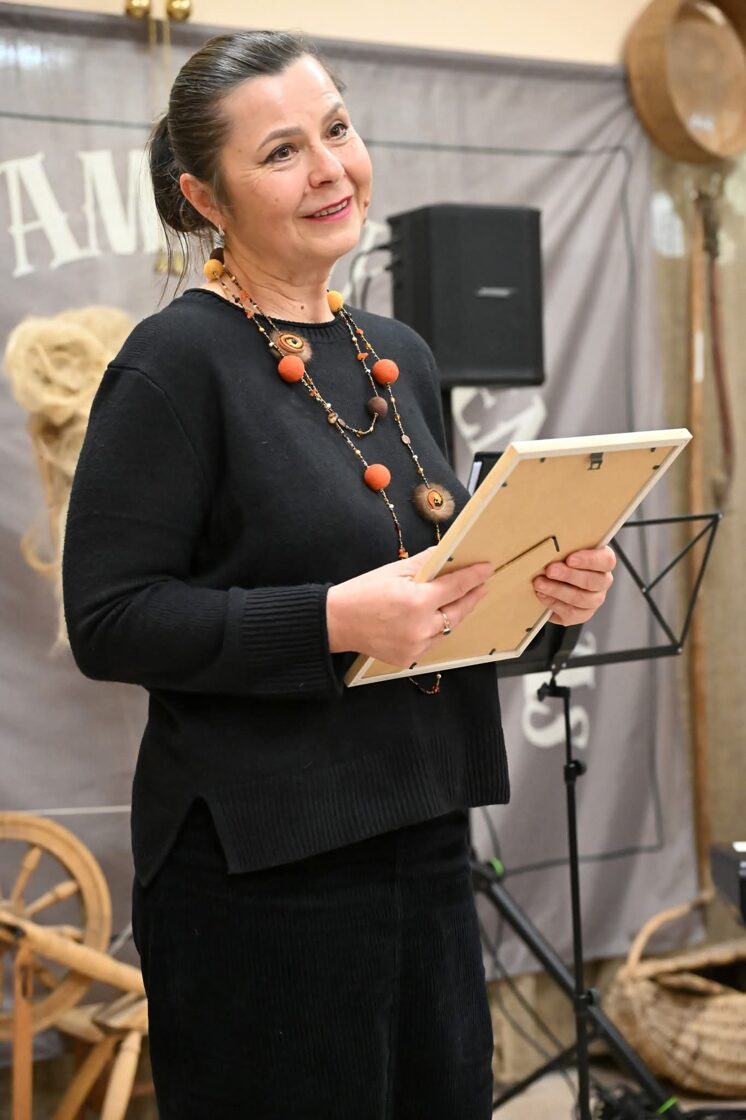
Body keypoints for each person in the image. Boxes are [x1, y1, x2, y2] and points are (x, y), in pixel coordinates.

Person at [62, 30, 615, 1120]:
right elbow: (110, 619)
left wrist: (550, 604)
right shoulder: (172, 363)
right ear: (203, 196)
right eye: (281, 152)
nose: (329, 169)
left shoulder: (400, 353)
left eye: (338, 129)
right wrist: (329, 620)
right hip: (260, 875)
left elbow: (437, 591)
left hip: (425, 840)